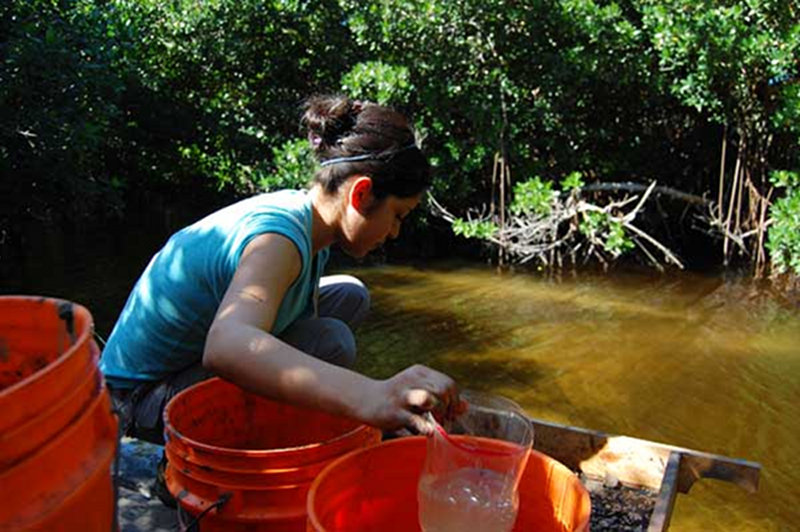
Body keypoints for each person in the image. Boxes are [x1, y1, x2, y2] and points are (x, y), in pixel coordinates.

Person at [100, 95, 460, 457]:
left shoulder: (306, 216)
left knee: (351, 294)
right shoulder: (277, 239)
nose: (395, 232)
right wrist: (371, 396)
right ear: (361, 193)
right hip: (134, 404)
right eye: (398, 215)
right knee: (331, 340)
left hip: (162, 381)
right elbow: (225, 346)